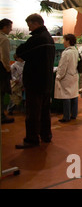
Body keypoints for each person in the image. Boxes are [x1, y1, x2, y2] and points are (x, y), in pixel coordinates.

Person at [15, 14, 55, 149]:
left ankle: (32, 139)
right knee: (44, 111)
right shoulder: (48, 38)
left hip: (35, 81)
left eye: (30, 25)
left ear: (36, 23)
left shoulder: (37, 39)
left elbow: (21, 51)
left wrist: (19, 53)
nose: (29, 28)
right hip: (46, 81)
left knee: (33, 112)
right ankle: (46, 135)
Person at [55, 34, 79, 123]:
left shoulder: (66, 52)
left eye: (64, 40)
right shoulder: (75, 50)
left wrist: (59, 76)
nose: (63, 42)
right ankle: (74, 114)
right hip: (74, 75)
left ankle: (66, 116)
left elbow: (62, 66)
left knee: (66, 96)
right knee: (74, 95)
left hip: (66, 77)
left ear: (68, 41)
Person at [0, 18, 14, 123]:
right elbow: (5, 57)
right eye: (10, 27)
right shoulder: (4, 39)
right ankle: (1, 116)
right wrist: (8, 69)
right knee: (1, 92)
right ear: (4, 27)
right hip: (1, 70)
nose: (11, 29)